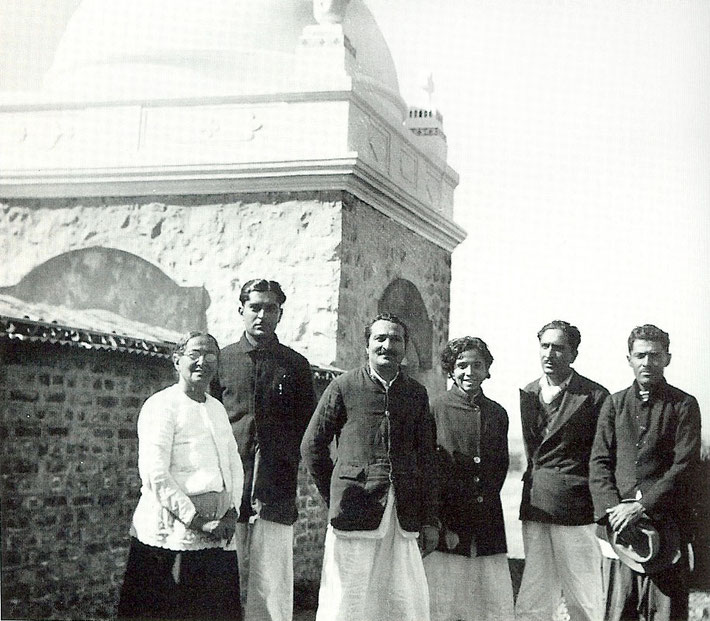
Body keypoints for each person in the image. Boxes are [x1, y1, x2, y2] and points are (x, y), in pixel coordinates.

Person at [300, 313, 439, 621]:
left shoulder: (416, 394)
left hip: (402, 514)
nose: (388, 345)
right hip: (354, 510)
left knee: (402, 597)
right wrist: (336, 491)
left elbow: (427, 459)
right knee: (347, 596)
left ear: (405, 347)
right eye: (380, 339)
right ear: (367, 346)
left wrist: (430, 519)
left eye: (396, 339)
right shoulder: (343, 386)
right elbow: (312, 446)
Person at [117, 332, 244, 621]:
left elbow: (233, 464)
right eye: (195, 354)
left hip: (217, 536)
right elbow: (155, 473)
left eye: (211, 355)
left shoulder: (217, 409)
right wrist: (197, 521)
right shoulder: (161, 406)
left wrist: (230, 513)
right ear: (177, 361)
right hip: (172, 536)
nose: (203, 362)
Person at [218, 279, 317, 621]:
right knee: (222, 579)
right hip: (229, 486)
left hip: (276, 488)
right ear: (241, 310)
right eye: (255, 307)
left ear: (280, 314)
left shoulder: (296, 366)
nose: (262, 315)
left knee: (271, 584)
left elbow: (309, 430)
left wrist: (285, 457)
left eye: (270, 308)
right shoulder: (221, 361)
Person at [589, 324, 701, 621]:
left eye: (654, 355)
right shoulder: (613, 404)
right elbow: (599, 462)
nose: (647, 363)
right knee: (617, 611)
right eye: (640, 355)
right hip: (619, 531)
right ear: (629, 359)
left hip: (666, 529)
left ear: (667, 358)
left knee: (665, 614)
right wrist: (615, 511)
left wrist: (641, 507)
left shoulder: (684, 405)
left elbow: (684, 466)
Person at [515, 320, 609, 621]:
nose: (550, 354)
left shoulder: (594, 396)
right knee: (535, 592)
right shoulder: (528, 393)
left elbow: (602, 456)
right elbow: (532, 454)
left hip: (575, 507)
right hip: (536, 504)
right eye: (545, 346)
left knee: (583, 594)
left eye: (559, 347)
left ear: (574, 354)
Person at [424, 336, 515, 621]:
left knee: (488, 606)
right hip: (448, 524)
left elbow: (499, 468)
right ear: (450, 370)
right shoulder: (435, 409)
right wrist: (440, 521)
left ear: (487, 369)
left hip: (486, 523)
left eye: (477, 365)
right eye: (462, 365)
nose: (469, 372)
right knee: (442, 604)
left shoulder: (498, 414)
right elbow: (429, 470)